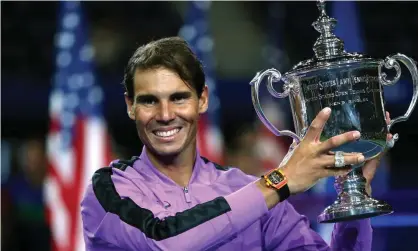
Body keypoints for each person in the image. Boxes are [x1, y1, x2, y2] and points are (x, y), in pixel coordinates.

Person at [80, 36, 393, 251]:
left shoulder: (245, 189)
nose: (165, 115)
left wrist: (355, 196)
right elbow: (165, 242)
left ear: (201, 100)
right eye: (149, 101)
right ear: (130, 106)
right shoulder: (108, 190)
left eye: (179, 98)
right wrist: (279, 182)